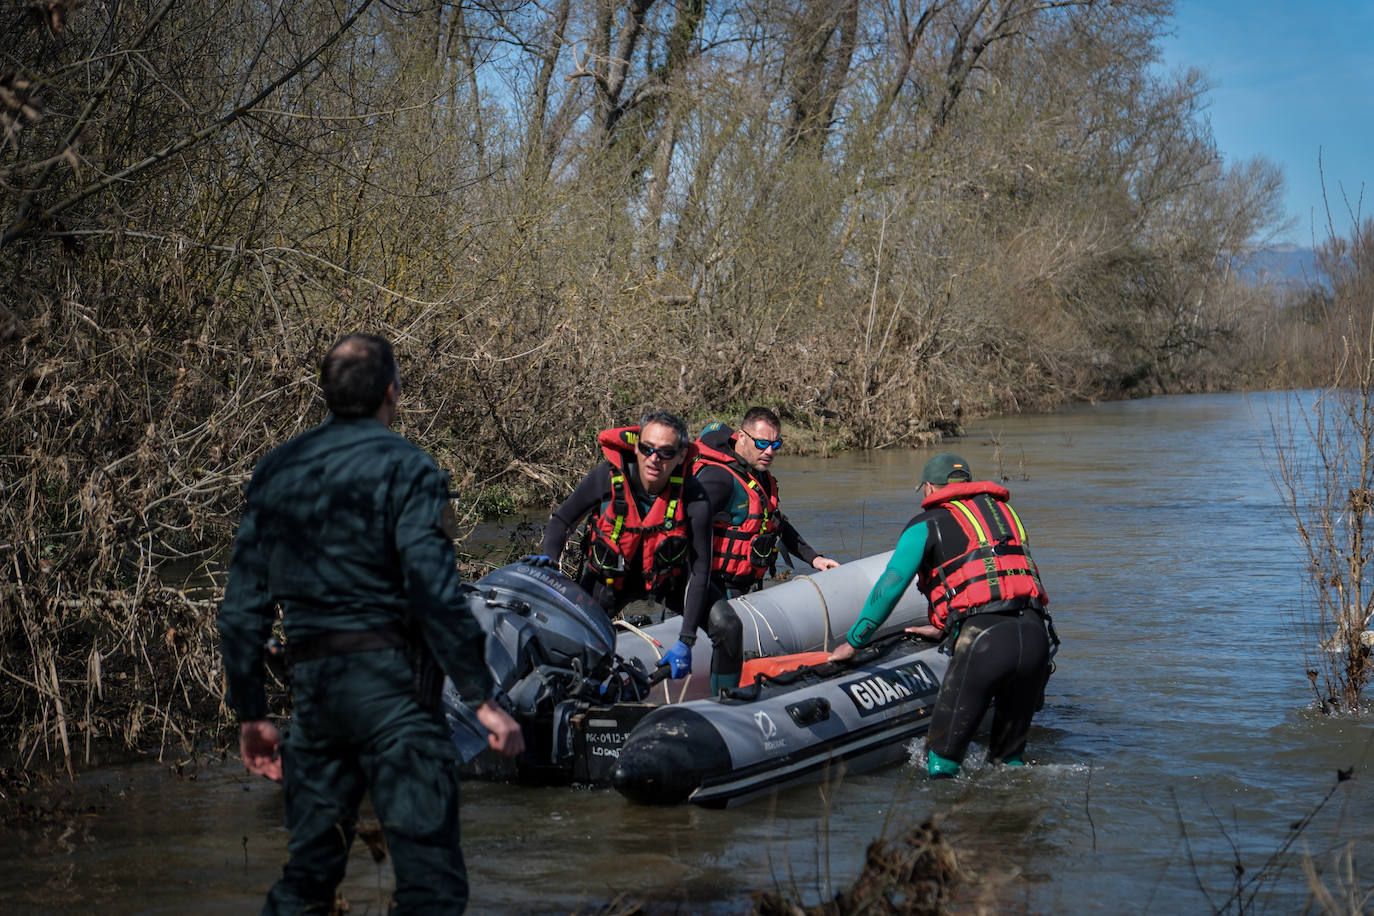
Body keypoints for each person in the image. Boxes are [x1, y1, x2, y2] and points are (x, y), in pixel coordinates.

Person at [217, 333, 524, 914]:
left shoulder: (275, 471)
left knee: (306, 881)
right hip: (398, 700)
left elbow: (239, 612)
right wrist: (482, 698)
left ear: (326, 393)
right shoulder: (411, 469)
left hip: (316, 702)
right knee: (429, 888)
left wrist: (252, 713)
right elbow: (434, 595)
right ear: (392, 393)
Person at [828, 453, 1053, 778]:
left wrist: (854, 642)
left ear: (930, 487)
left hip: (985, 643)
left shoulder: (926, 524)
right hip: (1035, 637)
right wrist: (944, 627)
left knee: (942, 764)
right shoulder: (1006, 516)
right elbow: (1003, 585)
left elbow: (891, 585)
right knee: (1010, 766)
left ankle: (943, 825)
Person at [537, 410, 712, 680]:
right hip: (609, 581)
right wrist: (549, 562)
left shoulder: (694, 494)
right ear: (636, 446)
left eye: (666, 452)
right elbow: (562, 521)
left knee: (728, 624)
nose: (654, 459)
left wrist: (686, 640)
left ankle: (729, 702)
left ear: (680, 456)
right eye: (647, 448)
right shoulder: (605, 477)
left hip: (668, 581)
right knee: (572, 642)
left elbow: (701, 569)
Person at [692, 406, 840, 694]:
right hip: (717, 589)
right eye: (762, 443)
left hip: (747, 587)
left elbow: (774, 522)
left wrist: (815, 558)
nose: (769, 451)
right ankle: (723, 699)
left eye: (776, 444)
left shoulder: (758, 476)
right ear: (740, 437)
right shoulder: (719, 479)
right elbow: (684, 524)